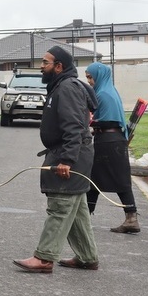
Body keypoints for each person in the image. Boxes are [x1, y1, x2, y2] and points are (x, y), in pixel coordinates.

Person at [13, 46, 99, 273]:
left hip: (70, 156)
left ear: (58, 66)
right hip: (70, 153)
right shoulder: (61, 86)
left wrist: (67, 160)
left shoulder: (67, 88)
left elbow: (74, 127)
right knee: (77, 209)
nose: (41, 67)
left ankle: (44, 258)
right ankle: (87, 257)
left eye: (45, 62)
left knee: (60, 206)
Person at [85, 62, 140, 233]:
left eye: (90, 77)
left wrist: (91, 122)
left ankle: (84, 218)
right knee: (101, 179)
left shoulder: (103, 94)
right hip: (112, 140)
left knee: (99, 180)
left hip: (109, 142)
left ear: (99, 76)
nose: (89, 81)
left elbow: (109, 120)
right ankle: (130, 217)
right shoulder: (109, 91)